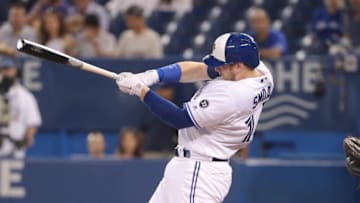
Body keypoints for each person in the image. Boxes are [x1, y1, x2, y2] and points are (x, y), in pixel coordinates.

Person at [116, 32, 274, 202]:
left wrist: (141, 91)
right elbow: (200, 70)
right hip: (192, 166)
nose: (217, 68)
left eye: (222, 65)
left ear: (238, 66)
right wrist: (151, 76)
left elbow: (179, 118)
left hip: (200, 172)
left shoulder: (233, 95)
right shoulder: (261, 73)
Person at [0, 57, 42, 158]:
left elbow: (32, 122)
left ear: (16, 70)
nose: (6, 72)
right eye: (3, 69)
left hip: (16, 149)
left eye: (9, 69)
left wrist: (26, 139)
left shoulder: (25, 96)